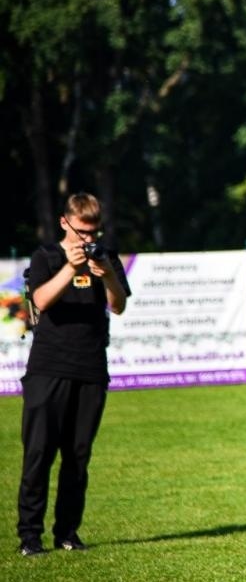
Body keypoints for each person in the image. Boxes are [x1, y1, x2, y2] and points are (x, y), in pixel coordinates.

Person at [16, 192, 129, 556]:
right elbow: (41, 301)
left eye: (94, 232)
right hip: (48, 369)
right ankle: (29, 537)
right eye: (83, 231)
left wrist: (107, 275)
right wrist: (71, 267)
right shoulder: (46, 257)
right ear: (66, 223)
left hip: (92, 369)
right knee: (39, 454)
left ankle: (67, 533)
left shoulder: (106, 257)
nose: (89, 239)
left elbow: (119, 305)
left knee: (78, 456)